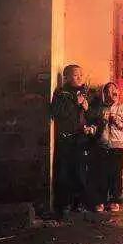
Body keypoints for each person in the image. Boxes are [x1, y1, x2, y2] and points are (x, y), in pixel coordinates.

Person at [50, 64, 96, 216]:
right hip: (66, 138)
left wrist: (87, 108)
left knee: (81, 172)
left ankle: (80, 203)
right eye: (76, 75)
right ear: (66, 77)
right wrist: (75, 103)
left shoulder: (86, 93)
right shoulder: (61, 93)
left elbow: (93, 116)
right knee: (65, 172)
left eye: (81, 75)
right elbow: (57, 113)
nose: (80, 78)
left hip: (81, 138)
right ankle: (65, 204)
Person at [90, 82, 123, 212]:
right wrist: (92, 129)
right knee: (101, 174)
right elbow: (95, 125)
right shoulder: (100, 109)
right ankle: (100, 201)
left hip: (117, 146)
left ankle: (115, 201)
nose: (112, 93)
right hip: (103, 145)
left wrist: (118, 122)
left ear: (118, 92)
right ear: (104, 94)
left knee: (116, 174)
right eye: (108, 91)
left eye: (114, 90)